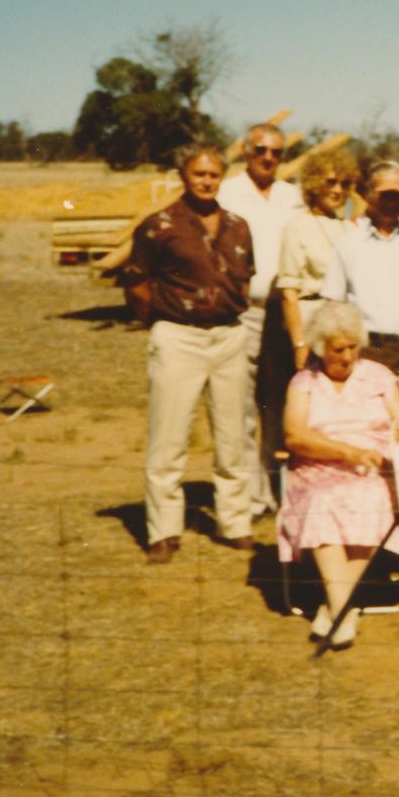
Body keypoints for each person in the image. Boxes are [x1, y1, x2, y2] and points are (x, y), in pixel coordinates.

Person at [123, 144, 256, 563]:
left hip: (229, 337)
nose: (206, 181)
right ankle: (164, 530)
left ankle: (235, 522)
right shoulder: (158, 226)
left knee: (233, 436)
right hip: (179, 337)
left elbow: (245, 283)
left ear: (222, 177)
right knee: (169, 437)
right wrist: (161, 324)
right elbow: (137, 284)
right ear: (183, 176)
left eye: (213, 174)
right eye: (198, 174)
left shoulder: (238, 226)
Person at [279, 302, 399, 649]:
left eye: (352, 347)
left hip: (373, 470)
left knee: (372, 496)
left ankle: (335, 608)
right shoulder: (304, 382)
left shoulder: (378, 376)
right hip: (316, 469)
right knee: (322, 500)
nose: (347, 357)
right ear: (321, 348)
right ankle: (344, 607)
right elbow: (294, 436)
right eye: (338, 350)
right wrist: (347, 451)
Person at [217, 121, 305, 516]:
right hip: (245, 311)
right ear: (246, 151)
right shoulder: (227, 192)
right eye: (260, 150)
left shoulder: (293, 196)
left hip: (285, 312)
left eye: (276, 152)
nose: (268, 158)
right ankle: (250, 497)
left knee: (278, 405)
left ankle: (278, 487)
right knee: (242, 407)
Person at [322, 162, 399, 374]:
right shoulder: (348, 242)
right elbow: (333, 304)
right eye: (385, 195)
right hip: (372, 350)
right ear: (369, 195)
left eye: (398, 195)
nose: (392, 203)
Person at [276, 147, 360, 371]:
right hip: (310, 320)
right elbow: (288, 293)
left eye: (344, 184)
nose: (337, 190)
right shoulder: (297, 226)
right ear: (314, 184)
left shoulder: (348, 227)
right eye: (330, 182)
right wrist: (300, 343)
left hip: (342, 325)